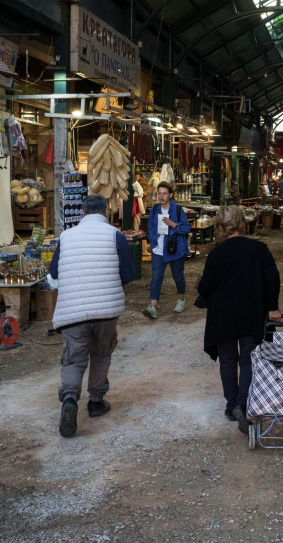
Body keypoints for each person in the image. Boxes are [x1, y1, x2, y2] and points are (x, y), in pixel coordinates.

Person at [48, 194, 135, 438]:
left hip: (74, 313)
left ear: (83, 213)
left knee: (74, 358)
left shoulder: (66, 237)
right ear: (106, 212)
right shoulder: (115, 235)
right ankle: (96, 403)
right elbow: (128, 274)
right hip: (106, 312)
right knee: (101, 354)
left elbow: (54, 273)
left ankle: (69, 400)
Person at [195, 206, 281, 434]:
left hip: (222, 316)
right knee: (248, 359)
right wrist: (272, 307)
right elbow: (272, 277)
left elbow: (206, 287)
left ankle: (231, 405)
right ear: (243, 224)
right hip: (251, 312)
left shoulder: (216, 254)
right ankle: (244, 404)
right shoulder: (259, 249)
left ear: (220, 228)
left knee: (228, 360)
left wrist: (199, 283)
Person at [144, 182, 191, 319]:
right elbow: (150, 228)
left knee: (178, 276)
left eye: (164, 193)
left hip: (175, 249)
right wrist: (153, 239)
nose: (161, 196)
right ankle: (153, 306)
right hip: (158, 250)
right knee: (156, 277)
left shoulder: (177, 209)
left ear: (170, 195)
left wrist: (173, 224)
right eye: (159, 193)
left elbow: (186, 228)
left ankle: (181, 299)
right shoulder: (154, 210)